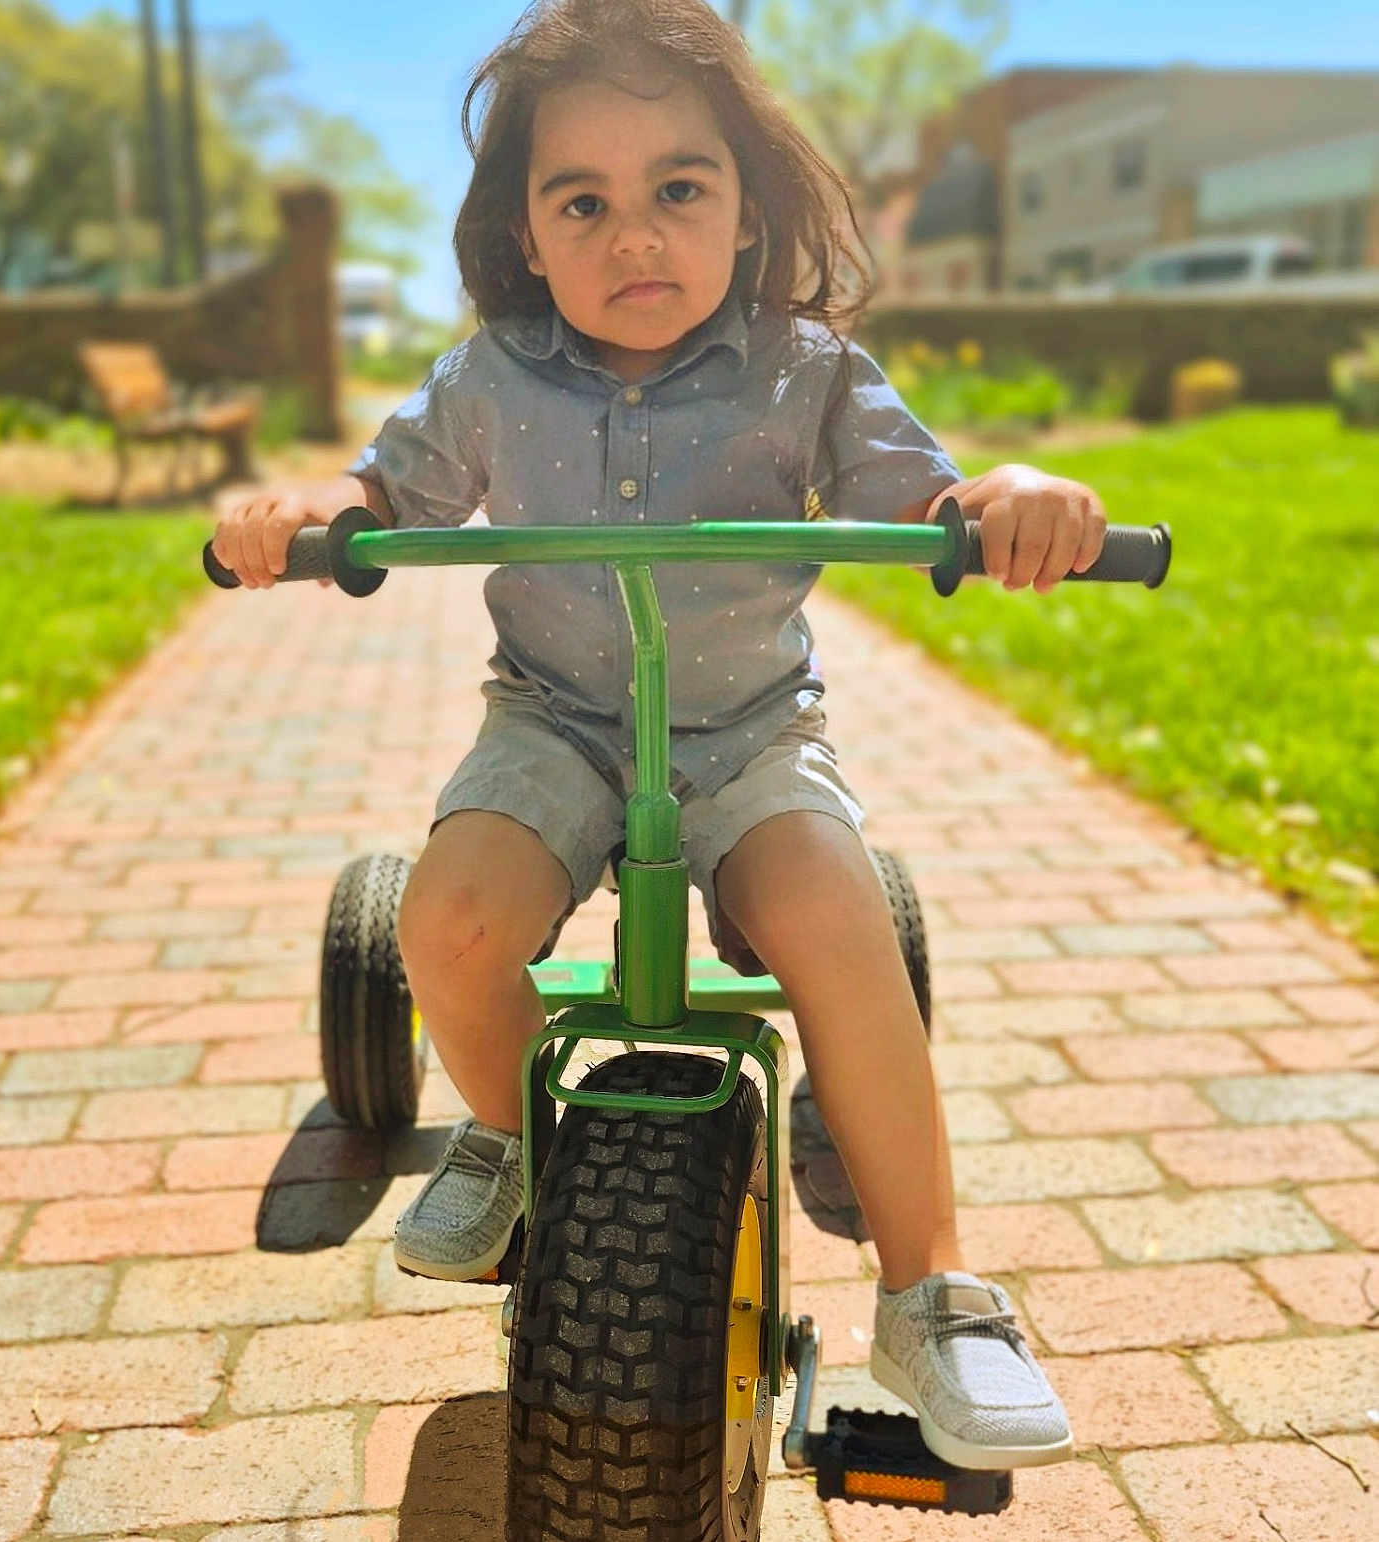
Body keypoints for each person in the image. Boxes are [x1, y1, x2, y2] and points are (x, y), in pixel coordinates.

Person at [212, 0, 1107, 1474]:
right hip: (557, 723)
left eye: (677, 189)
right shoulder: (490, 374)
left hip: (750, 734)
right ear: (526, 234)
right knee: (446, 914)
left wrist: (1002, 498)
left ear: (746, 212)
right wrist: (304, 517)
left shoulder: (805, 370)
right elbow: (383, 494)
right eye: (586, 201)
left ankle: (929, 1287)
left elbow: (918, 498)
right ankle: (508, 1136)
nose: (635, 236)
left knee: (834, 915)